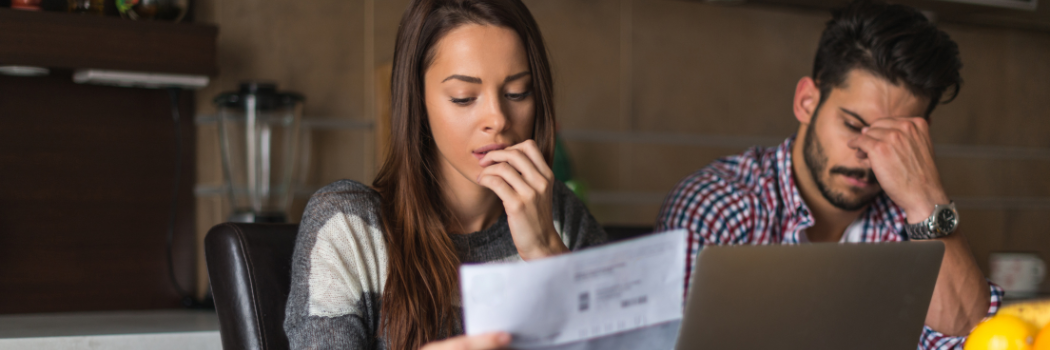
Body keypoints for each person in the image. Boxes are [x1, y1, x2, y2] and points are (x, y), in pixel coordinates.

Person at [656, 1, 1003, 349]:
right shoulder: (717, 205)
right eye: (853, 124)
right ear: (807, 101)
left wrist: (927, 199)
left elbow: (979, 343)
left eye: (892, 139)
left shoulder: (912, 220)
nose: (868, 152)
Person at [282, 1, 607, 349]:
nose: (497, 119)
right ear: (418, 102)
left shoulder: (561, 217)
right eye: (464, 97)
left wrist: (547, 251)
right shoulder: (349, 227)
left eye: (517, 93)